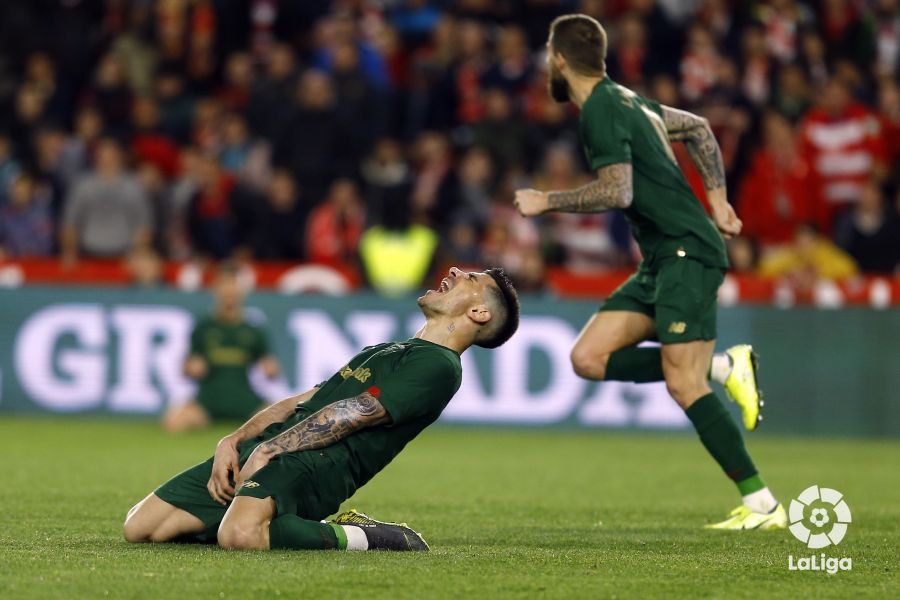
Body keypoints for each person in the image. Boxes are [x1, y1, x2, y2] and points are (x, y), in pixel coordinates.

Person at [514, 14, 784, 531]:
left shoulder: (600, 110)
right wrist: (718, 200)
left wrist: (547, 201)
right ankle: (723, 367)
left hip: (687, 252)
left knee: (684, 384)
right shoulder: (628, 100)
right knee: (588, 358)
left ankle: (763, 505)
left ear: (559, 59)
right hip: (662, 257)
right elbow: (699, 128)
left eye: (549, 53)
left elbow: (618, 191)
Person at [125, 267, 520, 551]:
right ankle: (266, 518)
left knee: (240, 536)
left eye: (471, 279)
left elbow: (357, 411)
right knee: (141, 527)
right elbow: (303, 400)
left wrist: (270, 449)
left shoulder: (440, 366)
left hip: (319, 462)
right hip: (276, 446)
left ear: (479, 314)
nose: (455, 271)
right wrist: (234, 440)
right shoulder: (388, 349)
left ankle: (366, 536)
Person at [162, 266, 280, 432]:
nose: (229, 294)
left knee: (280, 421)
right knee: (173, 423)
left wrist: (271, 370)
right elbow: (186, 368)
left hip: (244, 399)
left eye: (233, 288)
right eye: (225, 288)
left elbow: (271, 368)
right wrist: (191, 368)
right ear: (216, 291)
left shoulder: (253, 330)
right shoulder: (204, 328)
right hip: (209, 400)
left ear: (241, 293)